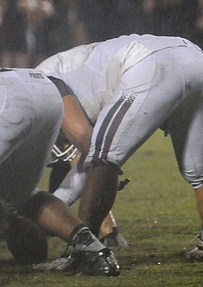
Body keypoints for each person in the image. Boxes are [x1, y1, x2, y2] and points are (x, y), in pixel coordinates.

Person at [35, 34, 203, 262]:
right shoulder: (56, 71)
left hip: (149, 63)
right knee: (200, 166)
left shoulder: (41, 82)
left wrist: (48, 208)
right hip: (195, 57)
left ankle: (84, 253)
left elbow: (87, 141)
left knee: (102, 157)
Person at [0, 68, 119, 275]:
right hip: (44, 89)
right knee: (26, 198)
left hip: (9, 93)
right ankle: (94, 250)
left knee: (22, 199)